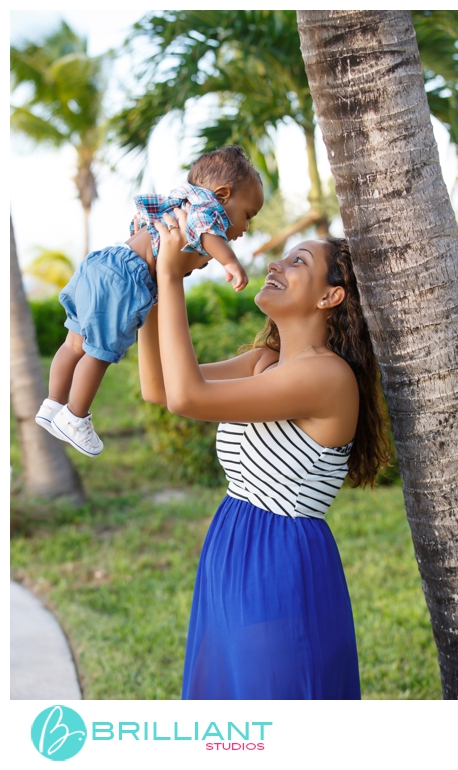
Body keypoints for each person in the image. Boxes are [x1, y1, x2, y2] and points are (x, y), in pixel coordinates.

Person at [138, 208, 390, 699]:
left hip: (279, 562)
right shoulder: (264, 362)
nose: (275, 265)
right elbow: (159, 388)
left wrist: (172, 278)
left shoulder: (327, 376)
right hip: (230, 546)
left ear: (330, 296)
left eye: (297, 261)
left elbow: (189, 398)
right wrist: (148, 280)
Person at [35, 145, 262, 458]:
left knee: (74, 344)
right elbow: (207, 231)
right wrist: (230, 262)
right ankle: (75, 415)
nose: (247, 226)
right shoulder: (206, 208)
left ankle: (52, 404)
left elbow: (143, 233)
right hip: (126, 276)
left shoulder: (174, 203)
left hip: (104, 261)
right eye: (247, 214)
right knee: (99, 352)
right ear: (223, 195)